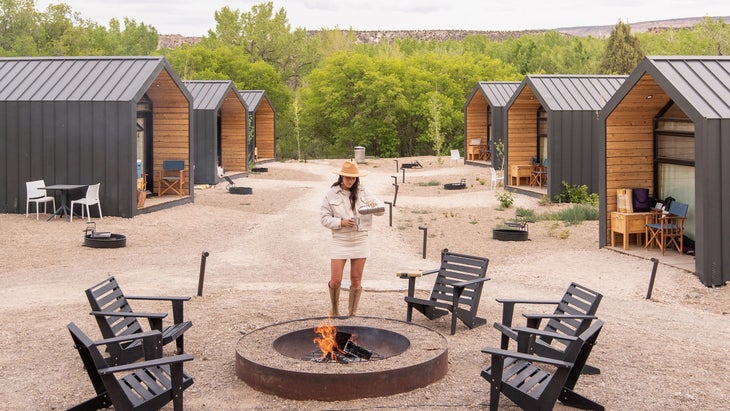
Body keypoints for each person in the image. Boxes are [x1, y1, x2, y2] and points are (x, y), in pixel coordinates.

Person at [320, 160, 383, 317]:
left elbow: (381, 211)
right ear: (341, 176)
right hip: (340, 239)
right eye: (347, 177)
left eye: (353, 178)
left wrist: (372, 206)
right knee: (335, 280)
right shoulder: (331, 193)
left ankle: (352, 313)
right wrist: (340, 222)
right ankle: (334, 311)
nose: (350, 181)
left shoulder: (363, 191)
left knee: (356, 279)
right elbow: (324, 218)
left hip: (360, 238)